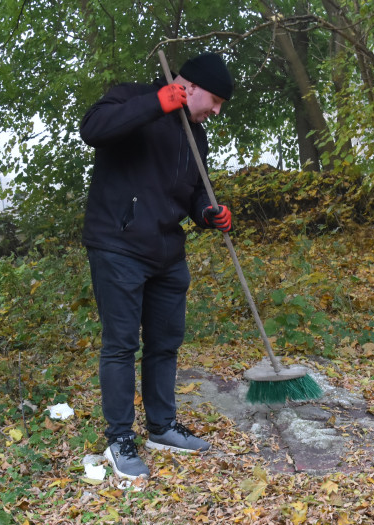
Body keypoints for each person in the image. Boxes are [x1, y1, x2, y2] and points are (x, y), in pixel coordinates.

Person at [79, 52, 235, 481]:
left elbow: (193, 191)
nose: (217, 111)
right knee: (121, 345)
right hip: (117, 245)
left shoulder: (195, 134)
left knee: (165, 344)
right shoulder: (133, 98)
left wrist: (207, 212)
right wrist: (156, 104)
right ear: (192, 87)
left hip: (167, 252)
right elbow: (92, 130)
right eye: (216, 100)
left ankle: (162, 428)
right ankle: (119, 440)